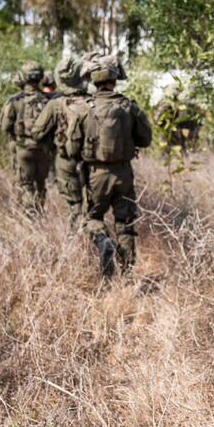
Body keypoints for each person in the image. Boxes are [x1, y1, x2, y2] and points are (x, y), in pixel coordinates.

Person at [67, 52, 152, 275]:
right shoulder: (128, 106)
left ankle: (103, 242)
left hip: (96, 174)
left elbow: (71, 148)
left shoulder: (84, 108)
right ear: (114, 80)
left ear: (95, 81)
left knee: (93, 217)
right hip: (123, 173)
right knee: (125, 222)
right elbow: (146, 139)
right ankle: (127, 272)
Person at [31, 56, 92, 229]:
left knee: (74, 206)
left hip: (65, 160)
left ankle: (74, 240)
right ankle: (92, 235)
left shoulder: (55, 104)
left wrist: (51, 144)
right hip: (92, 161)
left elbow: (37, 133)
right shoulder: (93, 102)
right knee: (92, 205)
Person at [0, 61, 52, 215]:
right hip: (44, 150)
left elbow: (5, 126)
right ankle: (39, 211)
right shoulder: (49, 100)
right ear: (40, 77)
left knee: (26, 184)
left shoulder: (15, 100)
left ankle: (31, 215)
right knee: (40, 184)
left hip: (23, 149)